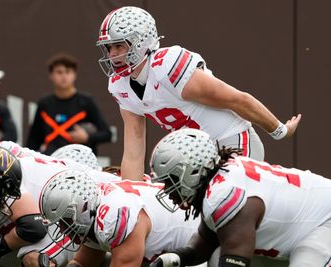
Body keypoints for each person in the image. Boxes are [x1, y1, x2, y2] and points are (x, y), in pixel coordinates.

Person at [95, 6, 301, 181]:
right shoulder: (119, 85)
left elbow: (237, 99)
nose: (113, 55)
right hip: (195, 156)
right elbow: (133, 151)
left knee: (228, 213)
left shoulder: (167, 67)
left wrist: (279, 130)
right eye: (109, 48)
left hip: (231, 141)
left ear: (141, 42)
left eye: (119, 46)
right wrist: (130, 196)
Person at [149, 128, 331, 267]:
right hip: (307, 226)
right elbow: (206, 242)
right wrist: (175, 258)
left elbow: (235, 260)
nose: (166, 190)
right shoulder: (220, 183)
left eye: (169, 181)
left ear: (192, 171)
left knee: (308, 260)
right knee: (216, 255)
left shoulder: (224, 194)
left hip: (325, 221)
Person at [39, 169, 206, 267]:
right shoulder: (93, 212)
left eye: (64, 221)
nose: (61, 229)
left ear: (82, 209)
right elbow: (84, 263)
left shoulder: (114, 216)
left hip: (200, 250)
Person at [27, 53, 112, 155]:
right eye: (59, 72)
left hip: (80, 160)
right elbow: (33, 140)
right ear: (51, 76)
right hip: (52, 161)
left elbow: (107, 134)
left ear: (75, 75)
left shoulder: (86, 101)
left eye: (68, 72)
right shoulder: (44, 104)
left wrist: (87, 137)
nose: (64, 76)